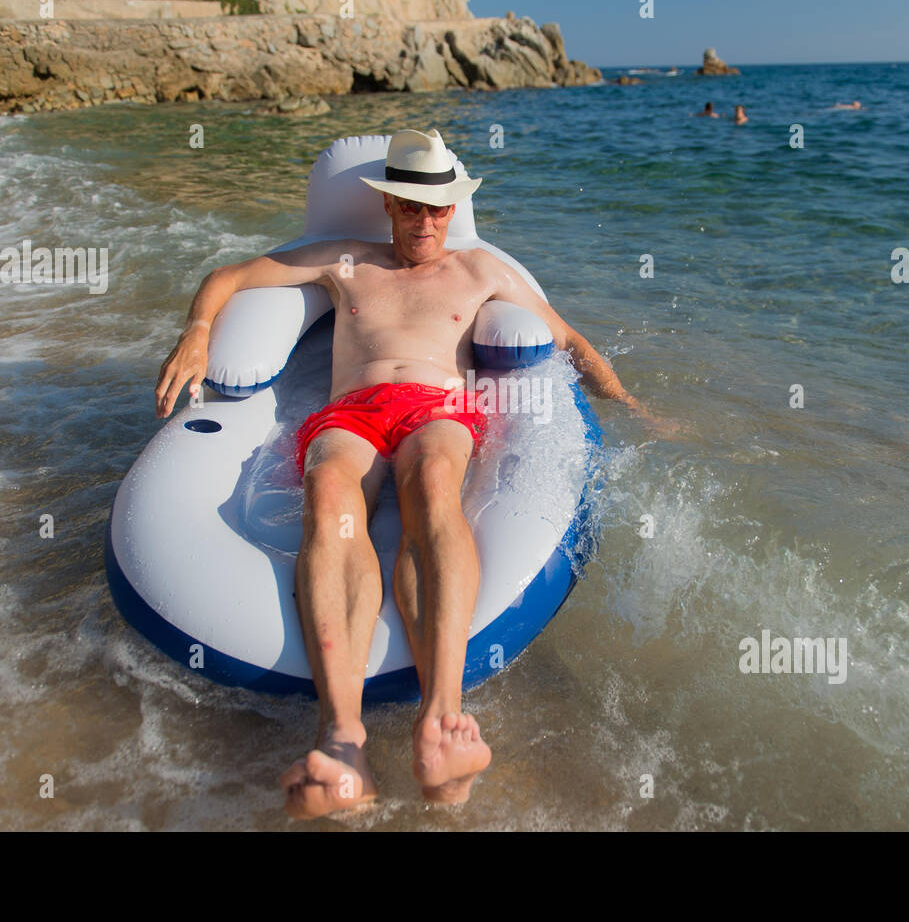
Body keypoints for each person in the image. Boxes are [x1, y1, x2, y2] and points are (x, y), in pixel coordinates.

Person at [154, 128, 671, 819]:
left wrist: (636, 406)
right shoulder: (348, 261)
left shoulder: (481, 270)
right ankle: (342, 739)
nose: (423, 222)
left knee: (431, 484)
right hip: (352, 412)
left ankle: (440, 718)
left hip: (437, 410)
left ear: (452, 210)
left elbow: (570, 339)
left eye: (436, 209)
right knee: (330, 495)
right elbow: (235, 275)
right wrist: (197, 327)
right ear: (390, 205)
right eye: (409, 207)